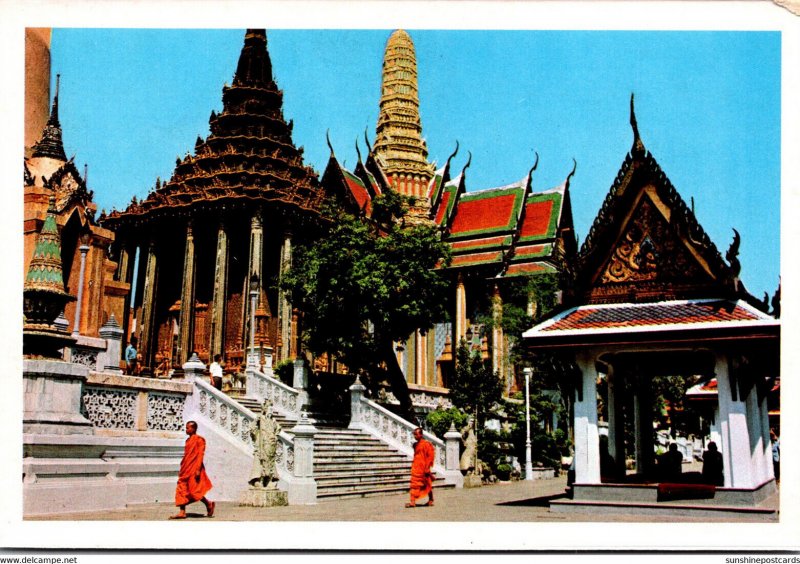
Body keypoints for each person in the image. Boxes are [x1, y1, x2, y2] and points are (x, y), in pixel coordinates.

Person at [170, 421, 215, 519]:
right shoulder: (187, 441)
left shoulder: (199, 440)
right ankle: (182, 512)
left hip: (194, 469)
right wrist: (182, 466)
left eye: (188, 428)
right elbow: (187, 456)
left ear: (194, 429)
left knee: (194, 491)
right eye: (186, 428)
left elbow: (200, 455)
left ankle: (208, 504)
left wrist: (198, 469)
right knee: (181, 488)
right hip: (185, 468)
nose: (186, 430)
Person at [248, 400, 281, 489]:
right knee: (260, 462)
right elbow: (252, 429)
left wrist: (275, 436)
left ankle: (269, 480)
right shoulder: (260, 418)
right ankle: (259, 480)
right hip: (261, 445)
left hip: (270, 445)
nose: (271, 411)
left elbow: (278, 428)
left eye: (272, 409)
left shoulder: (273, 420)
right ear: (265, 409)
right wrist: (256, 421)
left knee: (270, 463)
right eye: (270, 408)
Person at [406, 427, 435, 508]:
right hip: (416, 466)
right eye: (414, 435)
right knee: (414, 484)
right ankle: (412, 501)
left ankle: (431, 499)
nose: (415, 436)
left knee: (427, 483)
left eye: (416, 434)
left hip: (423, 467)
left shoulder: (426, 444)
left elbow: (430, 456)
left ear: (421, 434)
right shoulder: (415, 445)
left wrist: (427, 467)